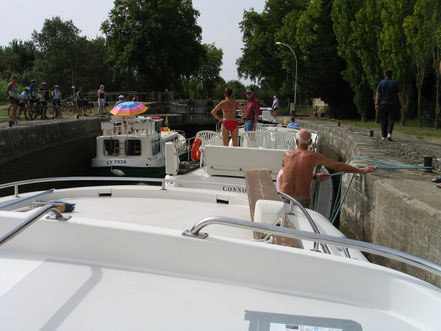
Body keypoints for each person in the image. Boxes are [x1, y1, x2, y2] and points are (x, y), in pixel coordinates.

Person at [280, 129, 375, 208]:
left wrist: (315, 176)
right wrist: (361, 170)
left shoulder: (287, 154)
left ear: (296, 142)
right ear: (310, 143)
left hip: (284, 196)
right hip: (302, 199)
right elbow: (339, 166)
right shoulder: (314, 157)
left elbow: (291, 175)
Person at [375, 69, 406, 141]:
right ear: (391, 75)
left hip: (383, 104)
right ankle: (389, 133)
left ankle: (383, 136)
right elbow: (400, 94)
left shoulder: (381, 83)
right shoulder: (395, 83)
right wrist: (403, 104)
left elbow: (378, 94)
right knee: (391, 119)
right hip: (393, 104)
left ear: (384, 75)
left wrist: (376, 103)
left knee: (383, 120)